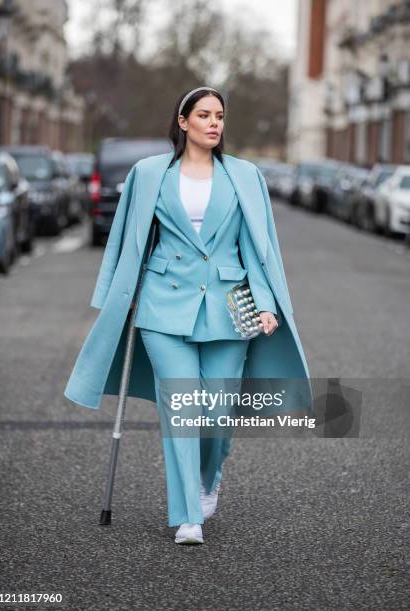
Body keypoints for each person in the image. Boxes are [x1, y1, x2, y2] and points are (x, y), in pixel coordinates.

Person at [64, 85, 312, 546]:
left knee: (216, 411)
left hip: (230, 305)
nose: (215, 122)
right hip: (163, 303)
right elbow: (126, 239)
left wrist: (266, 303)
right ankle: (187, 515)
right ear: (183, 122)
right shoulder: (148, 173)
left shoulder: (245, 175)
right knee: (180, 407)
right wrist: (117, 296)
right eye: (204, 115)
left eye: (220, 115)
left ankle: (209, 476)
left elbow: (258, 248)